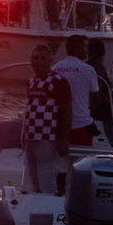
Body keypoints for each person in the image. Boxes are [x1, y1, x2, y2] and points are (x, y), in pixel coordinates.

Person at [22, 43, 71, 195]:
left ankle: (50, 212)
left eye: (43, 58)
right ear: (30, 60)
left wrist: (63, 138)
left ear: (51, 61)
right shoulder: (31, 80)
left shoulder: (58, 81)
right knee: (33, 182)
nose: (38, 61)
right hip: (30, 137)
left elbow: (67, 111)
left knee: (47, 183)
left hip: (47, 138)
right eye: (35, 57)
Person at [51, 34, 99, 147]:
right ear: (80, 48)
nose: (87, 50)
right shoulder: (88, 70)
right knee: (82, 163)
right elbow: (96, 99)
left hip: (58, 127)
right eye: (86, 47)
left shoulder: (54, 69)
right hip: (81, 127)